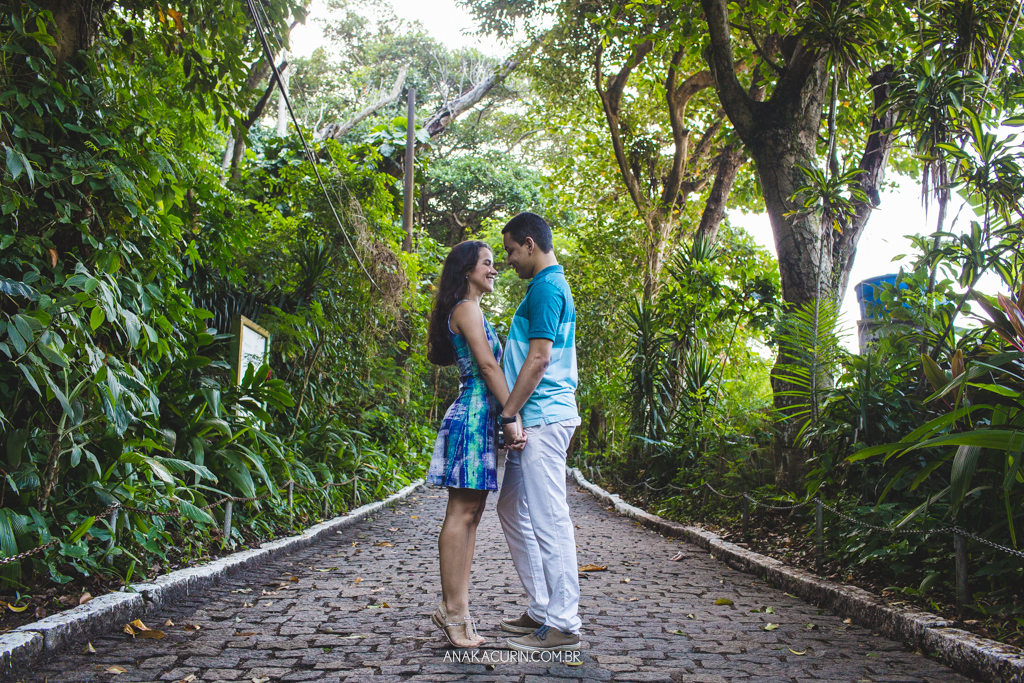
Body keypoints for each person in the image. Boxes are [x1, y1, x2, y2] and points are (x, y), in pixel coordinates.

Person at [426, 240, 526, 648]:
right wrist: (511, 414)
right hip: (472, 416)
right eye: (487, 263)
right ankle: (452, 612)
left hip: (479, 419)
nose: (494, 269)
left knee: (471, 515)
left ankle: (459, 613)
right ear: (467, 270)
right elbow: (486, 366)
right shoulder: (466, 310)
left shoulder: (473, 310)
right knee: (462, 513)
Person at [495, 212, 583, 653]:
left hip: (543, 417)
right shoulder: (542, 288)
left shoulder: (547, 288)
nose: (508, 259)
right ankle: (542, 608)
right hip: (536, 417)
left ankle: (564, 624)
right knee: (511, 507)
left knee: (550, 518)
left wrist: (509, 413)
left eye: (511, 250)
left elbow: (539, 360)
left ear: (530, 244)